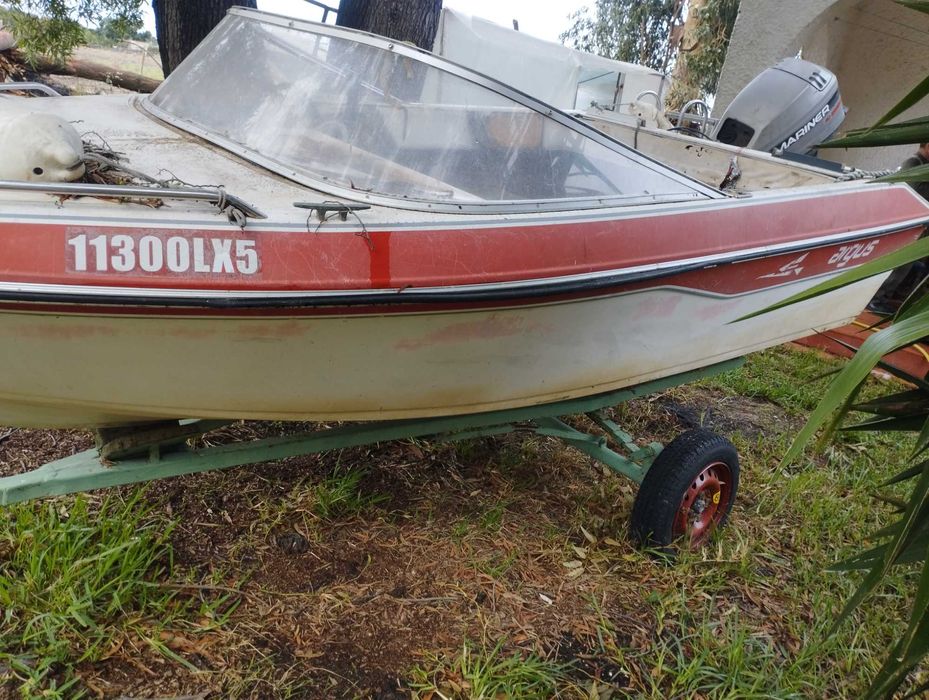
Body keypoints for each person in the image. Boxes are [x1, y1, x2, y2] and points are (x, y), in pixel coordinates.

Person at [866, 143, 929, 314]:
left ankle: (887, 297)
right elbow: (909, 195)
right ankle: (876, 299)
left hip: (919, 225)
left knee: (907, 267)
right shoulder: (914, 164)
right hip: (909, 225)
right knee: (898, 266)